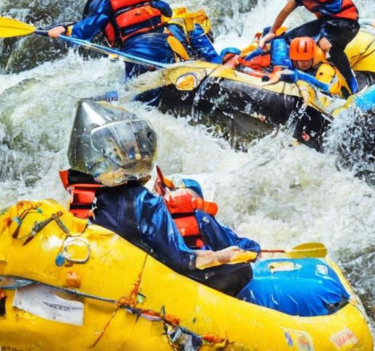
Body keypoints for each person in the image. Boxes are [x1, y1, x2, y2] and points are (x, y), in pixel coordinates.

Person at [67, 99, 260, 296]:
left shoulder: (81, 194)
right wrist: (221, 257)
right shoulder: (141, 201)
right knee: (233, 258)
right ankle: (252, 255)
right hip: (165, 282)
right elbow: (181, 259)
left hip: (117, 272)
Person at [48, 0, 176, 79]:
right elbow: (168, 11)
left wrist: (64, 29)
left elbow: (90, 25)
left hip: (135, 52)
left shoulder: (107, 1)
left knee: (135, 91)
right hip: (165, 45)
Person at [263, 36, 349, 97]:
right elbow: (278, 40)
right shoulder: (283, 59)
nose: (304, 63)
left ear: (312, 57)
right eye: (301, 60)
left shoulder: (324, 68)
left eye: (307, 60)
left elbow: (322, 88)